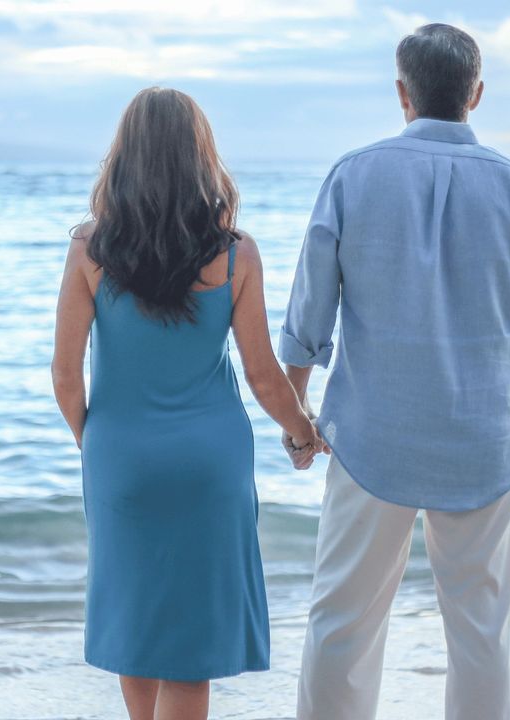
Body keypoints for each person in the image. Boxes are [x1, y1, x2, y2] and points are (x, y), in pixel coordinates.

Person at [278, 23, 510, 720]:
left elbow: (308, 319)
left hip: (372, 441)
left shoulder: (353, 175)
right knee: (481, 636)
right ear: (476, 94)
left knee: (341, 626)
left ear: (402, 94)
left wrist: (297, 417)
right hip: (484, 441)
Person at [50, 86, 322, 720]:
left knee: (137, 623)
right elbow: (261, 372)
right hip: (210, 463)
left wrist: (98, 446)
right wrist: (302, 432)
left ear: (125, 157)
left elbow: (66, 375)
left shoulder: (91, 249)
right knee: (190, 646)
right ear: (202, 157)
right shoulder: (235, 253)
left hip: (121, 455)